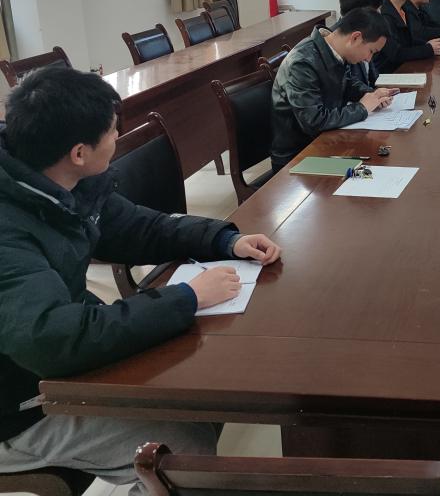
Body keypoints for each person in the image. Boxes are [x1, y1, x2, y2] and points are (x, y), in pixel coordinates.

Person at [0, 67, 282, 490]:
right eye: (112, 131)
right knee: (181, 456)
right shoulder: (9, 228)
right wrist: (186, 298)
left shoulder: (59, 177)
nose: (118, 137)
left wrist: (225, 240)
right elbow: (51, 339)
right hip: (18, 404)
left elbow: (140, 228)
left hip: (46, 356)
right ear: (79, 152)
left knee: (202, 389)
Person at [270, 8, 398, 171]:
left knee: (379, 162)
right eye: (371, 51)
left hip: (326, 143)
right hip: (299, 157)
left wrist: (371, 95)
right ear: (355, 37)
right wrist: (362, 108)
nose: (368, 59)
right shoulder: (302, 63)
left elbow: (347, 82)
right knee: (371, 172)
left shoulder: (334, 50)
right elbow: (314, 122)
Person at [375, 0, 440, 75]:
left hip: (405, 70)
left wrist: (428, 45)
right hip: (389, 75)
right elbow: (395, 54)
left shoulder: (404, 8)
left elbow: (410, 41)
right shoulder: (384, 14)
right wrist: (427, 49)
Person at [338, 0, 386, 87]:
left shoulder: (366, 33)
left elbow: (371, 79)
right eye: (377, 10)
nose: (379, 14)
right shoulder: (340, 44)